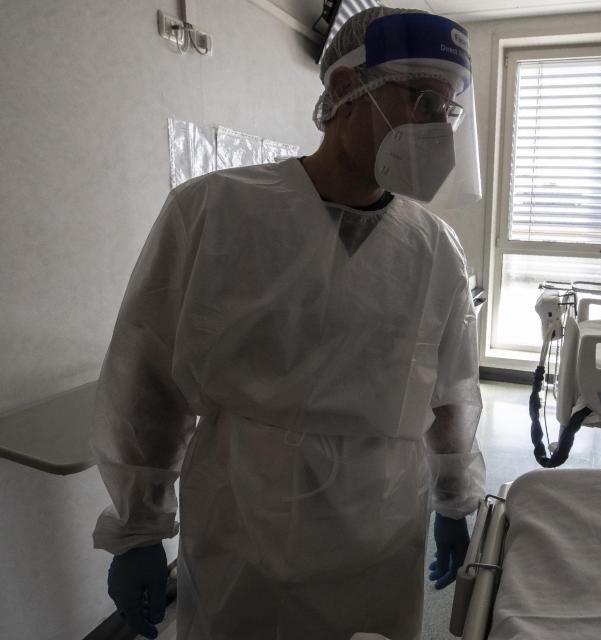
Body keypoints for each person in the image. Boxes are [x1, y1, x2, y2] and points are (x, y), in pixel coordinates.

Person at [92, 8, 485, 640]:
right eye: (419, 98)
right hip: (245, 520)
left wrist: (453, 499)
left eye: (447, 110)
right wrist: (138, 528)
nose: (436, 126)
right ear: (341, 90)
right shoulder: (215, 211)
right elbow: (146, 379)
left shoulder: (435, 248)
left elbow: (453, 394)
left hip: (379, 527)